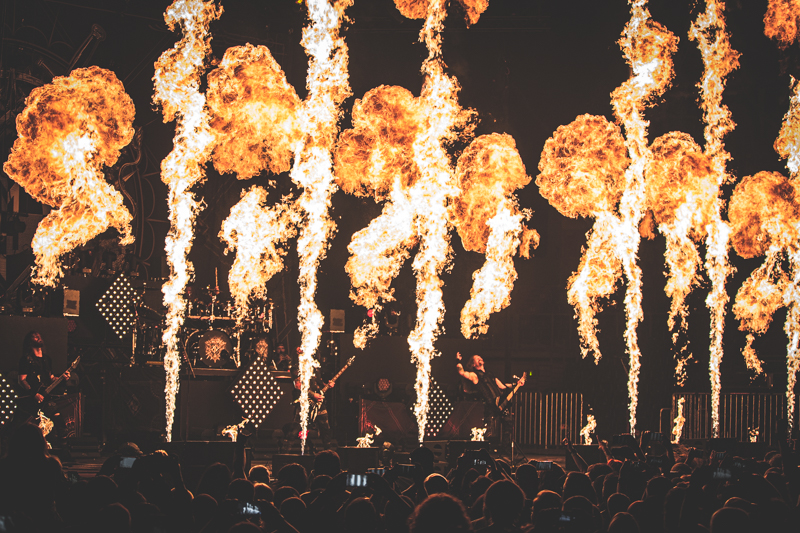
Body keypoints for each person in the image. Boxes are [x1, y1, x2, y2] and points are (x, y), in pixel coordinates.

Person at [456, 352, 522, 452]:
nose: (479, 358)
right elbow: (461, 372)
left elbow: (503, 386)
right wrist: (458, 360)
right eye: (476, 358)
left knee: (508, 423)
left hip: (500, 402)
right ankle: (485, 451)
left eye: (480, 357)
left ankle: (505, 449)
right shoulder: (475, 375)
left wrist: (516, 384)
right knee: (489, 430)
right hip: (490, 405)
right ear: (473, 364)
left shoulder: (490, 374)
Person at [17, 331, 70, 432]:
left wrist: (62, 378)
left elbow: (51, 378)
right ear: (30, 341)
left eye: (39, 336)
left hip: (46, 396)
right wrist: (34, 394)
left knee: (57, 422)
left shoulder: (47, 359)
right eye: (34, 336)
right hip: (32, 399)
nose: (38, 337)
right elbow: (22, 380)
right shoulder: (26, 360)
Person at [282, 368, 332, 451]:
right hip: (305, 403)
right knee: (295, 429)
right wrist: (313, 395)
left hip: (319, 405)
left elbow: (319, 385)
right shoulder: (299, 365)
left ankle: (328, 455)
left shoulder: (316, 367)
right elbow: (298, 385)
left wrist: (327, 385)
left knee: (325, 431)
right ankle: (285, 454)